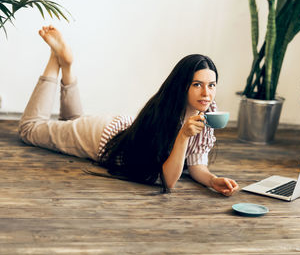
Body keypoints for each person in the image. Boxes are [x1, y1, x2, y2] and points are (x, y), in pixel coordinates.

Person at [18, 26, 239, 196]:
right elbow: (169, 182)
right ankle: (55, 59)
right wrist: (183, 135)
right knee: (30, 129)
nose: (206, 93)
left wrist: (212, 180)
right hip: (100, 138)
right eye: (197, 84)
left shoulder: (206, 112)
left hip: (118, 128)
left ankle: (67, 66)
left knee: (71, 121)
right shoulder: (164, 114)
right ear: (182, 86)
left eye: (212, 85)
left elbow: (196, 163)